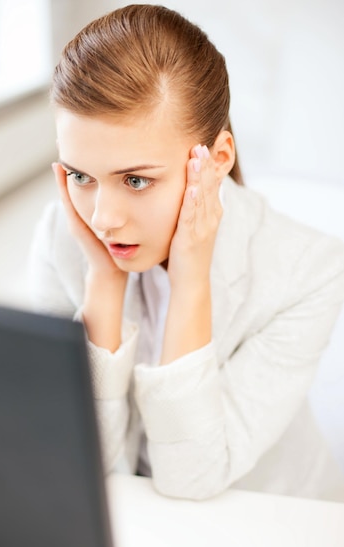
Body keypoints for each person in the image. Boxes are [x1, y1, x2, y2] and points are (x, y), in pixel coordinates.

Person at [28, 4, 344, 501]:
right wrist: (104, 285)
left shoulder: (309, 272)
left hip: (268, 528)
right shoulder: (59, 239)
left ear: (216, 161)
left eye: (135, 180)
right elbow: (71, 458)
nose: (103, 218)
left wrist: (190, 284)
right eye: (80, 176)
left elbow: (192, 478)